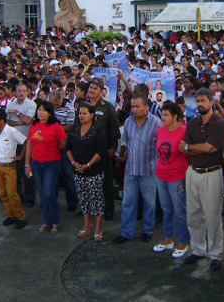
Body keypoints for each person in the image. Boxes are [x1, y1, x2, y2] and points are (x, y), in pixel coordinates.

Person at [179, 87, 224, 271]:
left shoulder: (219, 123)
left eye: (203, 101)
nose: (199, 104)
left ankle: (215, 254)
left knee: (212, 215)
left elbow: (208, 148)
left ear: (211, 102)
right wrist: (192, 147)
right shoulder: (192, 123)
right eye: (197, 101)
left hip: (211, 173)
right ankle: (198, 249)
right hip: (193, 172)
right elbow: (185, 147)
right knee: (193, 213)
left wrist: (190, 147)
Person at [112, 94, 162, 244]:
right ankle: (126, 232)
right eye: (133, 106)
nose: (134, 109)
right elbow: (127, 143)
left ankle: (147, 231)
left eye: (138, 106)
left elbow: (160, 148)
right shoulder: (128, 122)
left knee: (149, 203)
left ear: (146, 107)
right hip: (131, 170)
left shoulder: (156, 123)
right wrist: (123, 157)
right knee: (128, 202)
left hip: (149, 171)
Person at [65, 102, 108, 241]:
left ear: (92, 115)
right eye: (80, 114)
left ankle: (98, 227)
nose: (81, 116)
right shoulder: (75, 128)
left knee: (96, 199)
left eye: (84, 113)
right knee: (83, 199)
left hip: (94, 171)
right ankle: (87, 224)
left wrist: (88, 165)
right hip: (78, 171)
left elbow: (101, 151)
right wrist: (74, 163)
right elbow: (67, 148)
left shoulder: (98, 129)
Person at [153, 101, 190, 257]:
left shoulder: (184, 132)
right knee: (166, 208)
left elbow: (189, 152)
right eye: (163, 114)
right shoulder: (161, 130)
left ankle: (184, 240)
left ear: (175, 117)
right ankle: (169, 238)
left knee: (180, 209)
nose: (163, 117)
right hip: (161, 175)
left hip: (178, 177)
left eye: (166, 115)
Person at [25, 100, 67, 232]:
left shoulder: (56, 126)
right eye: (39, 110)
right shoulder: (34, 125)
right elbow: (30, 144)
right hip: (36, 163)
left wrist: (51, 150)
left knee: (49, 193)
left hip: (51, 164)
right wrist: (27, 164)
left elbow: (63, 143)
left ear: (50, 113)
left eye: (44, 110)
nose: (41, 113)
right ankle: (46, 220)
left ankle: (55, 220)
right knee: (42, 193)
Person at [83, 78, 120, 221]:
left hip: (102, 151)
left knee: (105, 183)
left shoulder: (107, 107)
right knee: (87, 181)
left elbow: (114, 129)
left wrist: (112, 147)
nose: (92, 90)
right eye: (91, 87)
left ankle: (108, 209)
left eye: (95, 88)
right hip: (85, 150)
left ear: (101, 91)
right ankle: (88, 208)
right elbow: (76, 127)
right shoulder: (83, 105)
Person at [0, 108, 28, 229]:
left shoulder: (12, 131)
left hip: (9, 166)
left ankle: (20, 216)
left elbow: (26, 141)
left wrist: (20, 156)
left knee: (12, 193)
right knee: (3, 193)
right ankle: (10, 214)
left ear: (1, 121)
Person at [7, 82, 37, 207]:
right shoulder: (11, 104)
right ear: (15, 92)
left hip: (27, 141)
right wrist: (22, 122)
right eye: (19, 90)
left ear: (28, 92)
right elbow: (8, 122)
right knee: (15, 170)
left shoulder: (31, 104)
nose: (21, 93)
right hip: (13, 142)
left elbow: (28, 120)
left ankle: (30, 197)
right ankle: (19, 196)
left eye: (24, 91)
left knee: (27, 170)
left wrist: (18, 114)